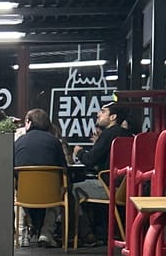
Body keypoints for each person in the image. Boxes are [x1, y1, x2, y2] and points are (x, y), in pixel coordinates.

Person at [72, 102, 132, 245]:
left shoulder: (108, 135)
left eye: (103, 111)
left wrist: (78, 151)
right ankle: (102, 231)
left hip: (109, 187)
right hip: (125, 188)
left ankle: (85, 234)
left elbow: (89, 160)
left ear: (113, 117)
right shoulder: (128, 135)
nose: (98, 114)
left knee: (72, 190)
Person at [14, 108, 67, 248]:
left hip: (24, 195)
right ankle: (46, 234)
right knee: (61, 192)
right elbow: (64, 167)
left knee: (16, 195)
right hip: (51, 196)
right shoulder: (55, 142)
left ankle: (21, 235)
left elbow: (13, 168)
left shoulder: (19, 142)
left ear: (29, 122)